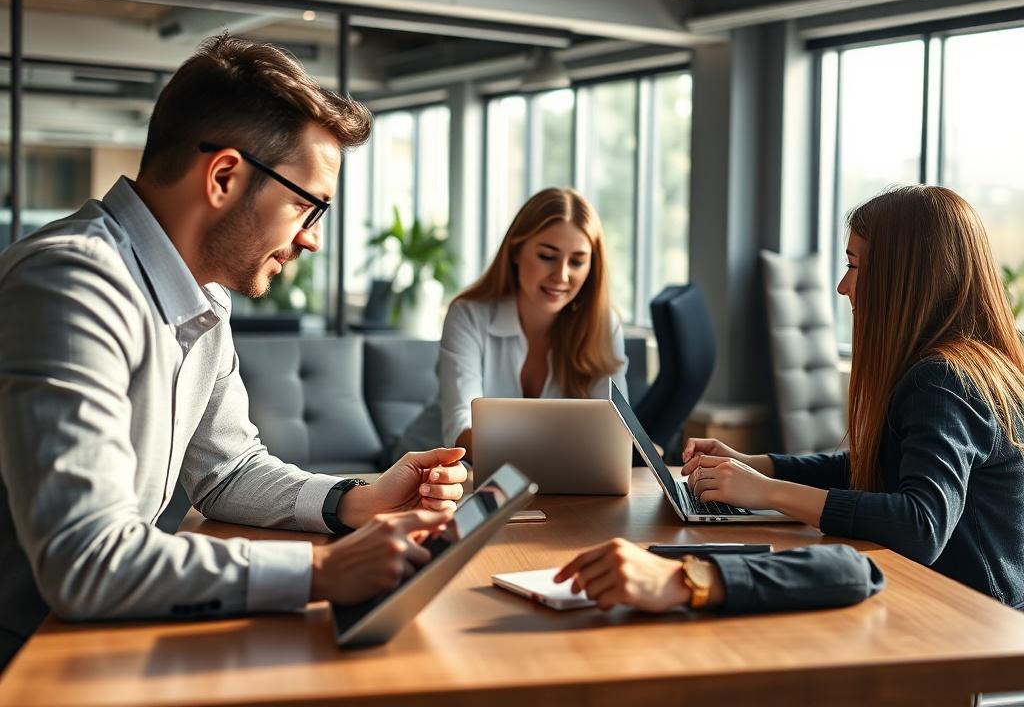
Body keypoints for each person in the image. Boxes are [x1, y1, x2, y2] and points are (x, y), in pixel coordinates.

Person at [0, 35, 468, 668]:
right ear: (223, 176)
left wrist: (357, 501)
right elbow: (86, 557)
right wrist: (320, 573)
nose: (312, 242)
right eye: (306, 206)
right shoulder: (72, 285)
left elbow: (227, 473)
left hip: (96, 638)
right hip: (28, 656)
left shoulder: (202, 299)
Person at [682, 185, 1024, 609]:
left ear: (904, 278)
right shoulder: (979, 364)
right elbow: (880, 467)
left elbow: (921, 526)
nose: (843, 287)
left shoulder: (943, 380)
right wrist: (757, 466)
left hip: (966, 626)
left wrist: (766, 492)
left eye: (854, 266)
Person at [396, 187, 628, 457]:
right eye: (547, 256)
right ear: (517, 251)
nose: (561, 276)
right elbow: (461, 429)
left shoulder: (603, 325)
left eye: (577, 262)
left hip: (532, 477)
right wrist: (554, 450)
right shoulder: (468, 315)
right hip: (426, 465)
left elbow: (613, 430)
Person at [555, 539, 883, 613]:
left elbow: (856, 570)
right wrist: (763, 469)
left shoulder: (930, 379)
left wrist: (687, 579)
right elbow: (849, 466)